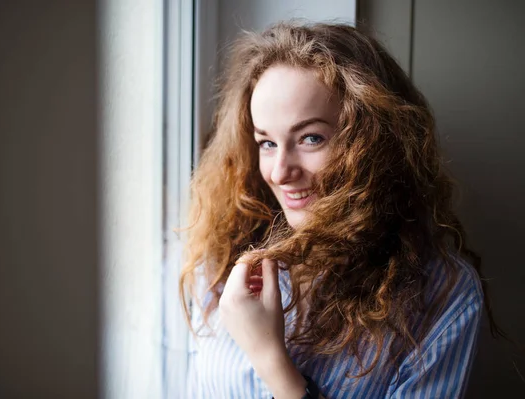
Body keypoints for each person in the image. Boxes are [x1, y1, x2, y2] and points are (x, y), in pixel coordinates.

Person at [179, 21, 500, 399]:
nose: (281, 172)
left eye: (310, 138)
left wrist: (272, 362)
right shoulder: (224, 255)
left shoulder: (440, 294)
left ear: (373, 141)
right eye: (266, 143)